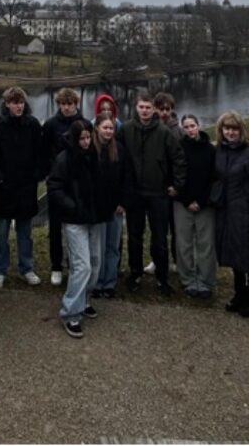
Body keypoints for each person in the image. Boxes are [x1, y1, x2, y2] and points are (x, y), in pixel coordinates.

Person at [120, 91, 186, 295]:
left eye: (148, 107)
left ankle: (162, 277)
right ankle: (135, 273)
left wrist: (177, 185)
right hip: (135, 193)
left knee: (159, 238)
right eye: (141, 107)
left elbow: (178, 159)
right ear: (136, 107)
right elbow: (117, 156)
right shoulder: (126, 129)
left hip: (158, 193)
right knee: (134, 236)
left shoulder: (164, 132)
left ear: (153, 109)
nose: (145, 111)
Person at [48, 120, 106, 338]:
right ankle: (70, 312)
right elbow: (55, 188)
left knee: (95, 263)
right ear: (74, 139)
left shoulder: (94, 157)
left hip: (93, 218)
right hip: (74, 220)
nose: (86, 142)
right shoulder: (64, 159)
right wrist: (72, 207)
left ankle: (84, 299)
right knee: (82, 266)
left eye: (88, 137)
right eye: (82, 138)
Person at [0, 86, 44, 289]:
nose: (19, 106)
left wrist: (36, 176)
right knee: (1, 233)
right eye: (15, 102)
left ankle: (26, 268)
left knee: (25, 233)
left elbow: (40, 153)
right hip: (4, 189)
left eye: (21, 102)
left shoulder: (33, 125)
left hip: (26, 188)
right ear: (7, 104)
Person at [214, 111, 249, 318]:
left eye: (234, 129)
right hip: (226, 211)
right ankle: (239, 292)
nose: (230, 132)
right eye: (227, 128)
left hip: (246, 211)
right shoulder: (220, 151)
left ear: (241, 130)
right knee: (233, 253)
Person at [42, 87, 84, 286]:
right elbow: (44, 151)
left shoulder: (83, 123)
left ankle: (74, 263)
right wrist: (50, 173)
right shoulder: (50, 125)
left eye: (70, 104)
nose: (67, 108)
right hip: (57, 182)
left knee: (76, 226)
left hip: (77, 182)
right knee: (55, 227)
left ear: (76, 104)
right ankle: (56, 266)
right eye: (63, 104)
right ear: (59, 104)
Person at [173, 114, 217, 298]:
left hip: (205, 204)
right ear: (182, 129)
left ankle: (206, 281)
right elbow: (175, 175)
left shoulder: (210, 149)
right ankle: (188, 279)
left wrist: (201, 200)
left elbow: (214, 177)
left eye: (192, 126)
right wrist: (187, 200)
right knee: (184, 243)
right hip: (182, 203)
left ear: (198, 126)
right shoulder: (178, 148)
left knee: (206, 243)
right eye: (186, 127)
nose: (190, 130)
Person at [92, 111, 129, 299]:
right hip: (98, 207)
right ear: (97, 128)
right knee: (98, 247)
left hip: (116, 207)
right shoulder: (91, 149)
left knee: (112, 246)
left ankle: (109, 282)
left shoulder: (120, 149)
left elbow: (126, 177)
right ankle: (97, 282)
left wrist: (123, 202)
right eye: (105, 127)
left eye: (111, 128)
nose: (108, 131)